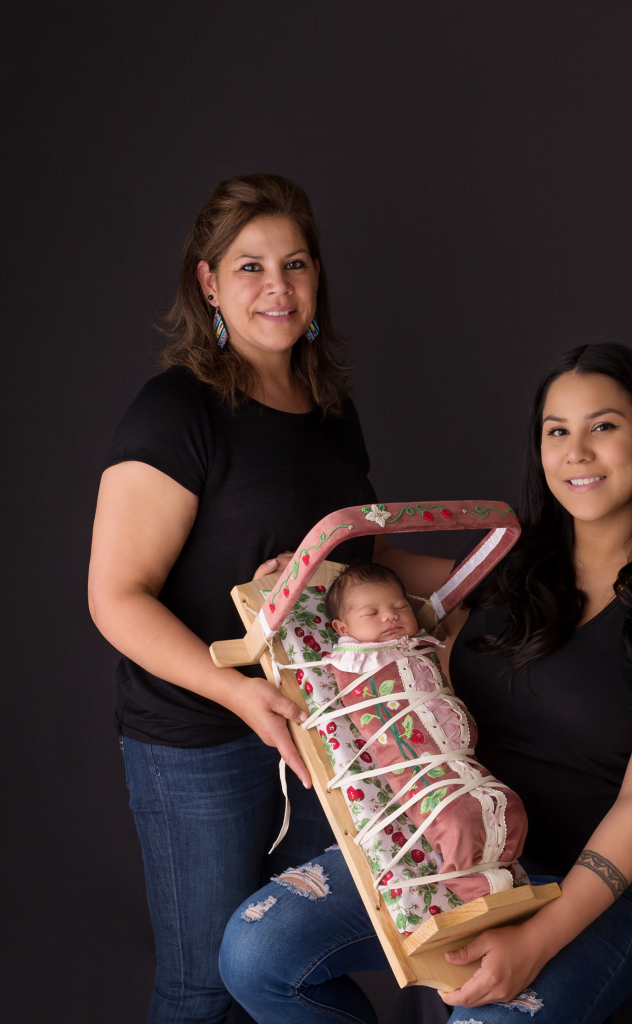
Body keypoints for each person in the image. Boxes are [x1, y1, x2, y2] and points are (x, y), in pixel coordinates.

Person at [218, 343, 632, 1024]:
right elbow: (378, 574)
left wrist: (536, 940)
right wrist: (305, 574)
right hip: (449, 855)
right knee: (255, 954)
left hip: (585, 885)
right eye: (557, 431)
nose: (575, 451)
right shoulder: (509, 566)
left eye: (602, 426)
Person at [88, 174, 380, 1024]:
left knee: (295, 967)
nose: (277, 287)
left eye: (294, 263)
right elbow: (115, 597)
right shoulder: (177, 411)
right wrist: (235, 691)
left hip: (321, 726)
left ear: (317, 278)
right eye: (249, 267)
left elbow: (359, 557)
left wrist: (496, 564)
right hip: (202, 740)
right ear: (209, 284)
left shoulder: (331, 411)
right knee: (205, 987)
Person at [321, 562, 527, 904]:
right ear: (343, 629)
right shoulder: (352, 660)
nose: (390, 616)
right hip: (420, 769)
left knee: (510, 804)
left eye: (400, 607)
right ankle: (467, 884)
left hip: (464, 764)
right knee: (456, 818)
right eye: (372, 612)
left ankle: (498, 868)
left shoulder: (419, 647)